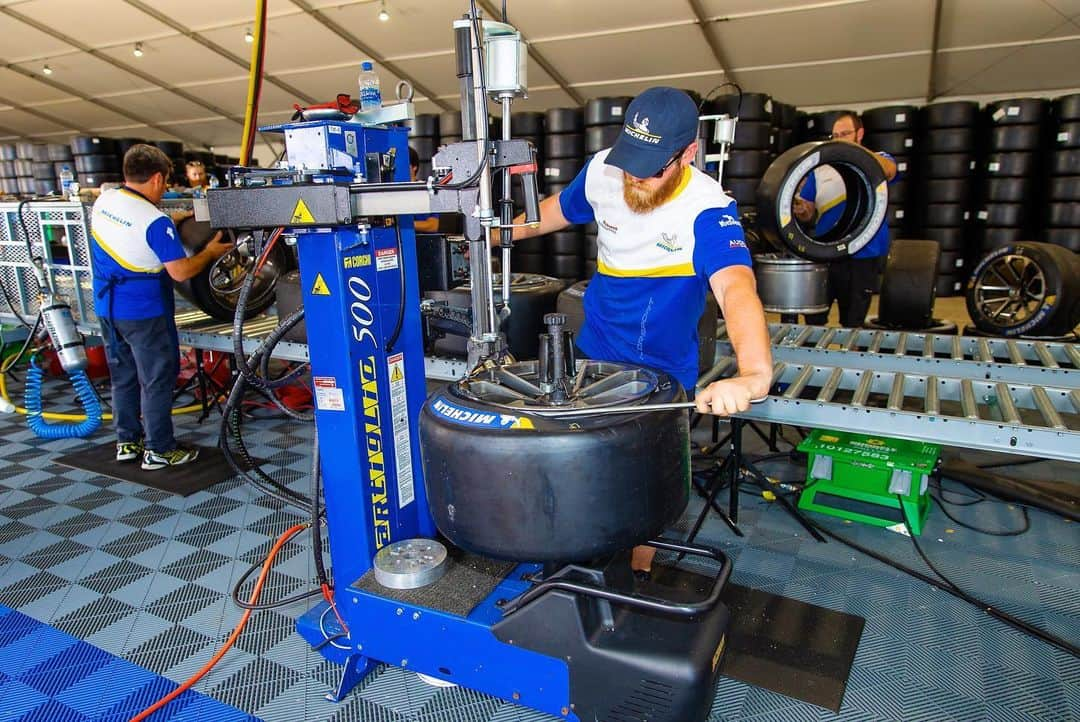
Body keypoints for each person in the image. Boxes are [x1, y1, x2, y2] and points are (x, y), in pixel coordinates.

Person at [511, 87, 773, 578]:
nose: (634, 175)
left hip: (662, 370)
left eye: (650, 167)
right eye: (632, 160)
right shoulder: (605, 169)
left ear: (687, 154)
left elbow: (738, 290)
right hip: (596, 352)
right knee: (578, 464)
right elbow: (556, 211)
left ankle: (636, 578)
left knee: (644, 485)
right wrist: (500, 230)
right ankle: (569, 555)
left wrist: (754, 374)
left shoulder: (708, 208)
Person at [90, 144, 234, 470]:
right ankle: (159, 450)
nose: (165, 188)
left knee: (124, 375)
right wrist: (211, 253)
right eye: (166, 182)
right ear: (157, 178)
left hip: (107, 307)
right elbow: (180, 271)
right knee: (156, 379)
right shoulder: (156, 223)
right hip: (144, 313)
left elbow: (131, 228)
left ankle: (127, 441)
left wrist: (170, 219)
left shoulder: (106, 200)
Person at [793, 112, 899, 327]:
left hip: (862, 254)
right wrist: (801, 210)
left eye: (844, 134)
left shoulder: (878, 160)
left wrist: (855, 153)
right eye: (835, 136)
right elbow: (809, 210)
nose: (839, 139)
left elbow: (890, 170)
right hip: (825, 253)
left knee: (853, 322)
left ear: (859, 134)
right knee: (814, 318)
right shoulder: (821, 169)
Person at [408, 146, 440, 233]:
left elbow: (433, 225)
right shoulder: (392, 192)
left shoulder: (428, 191)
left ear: (414, 166)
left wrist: (403, 226)